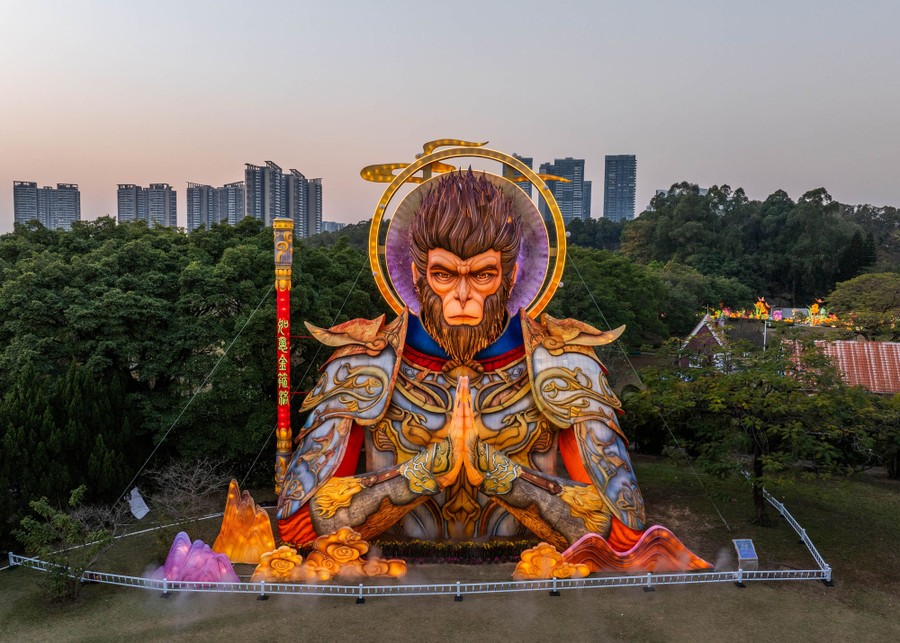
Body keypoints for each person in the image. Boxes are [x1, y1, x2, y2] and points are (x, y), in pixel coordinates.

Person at [276, 170, 646, 552]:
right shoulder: (361, 365)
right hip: (395, 579)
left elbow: (624, 528)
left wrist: (500, 474)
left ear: (511, 275)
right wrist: (424, 473)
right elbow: (298, 523)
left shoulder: (565, 366)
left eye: (483, 275)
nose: (463, 295)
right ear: (419, 276)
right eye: (444, 275)